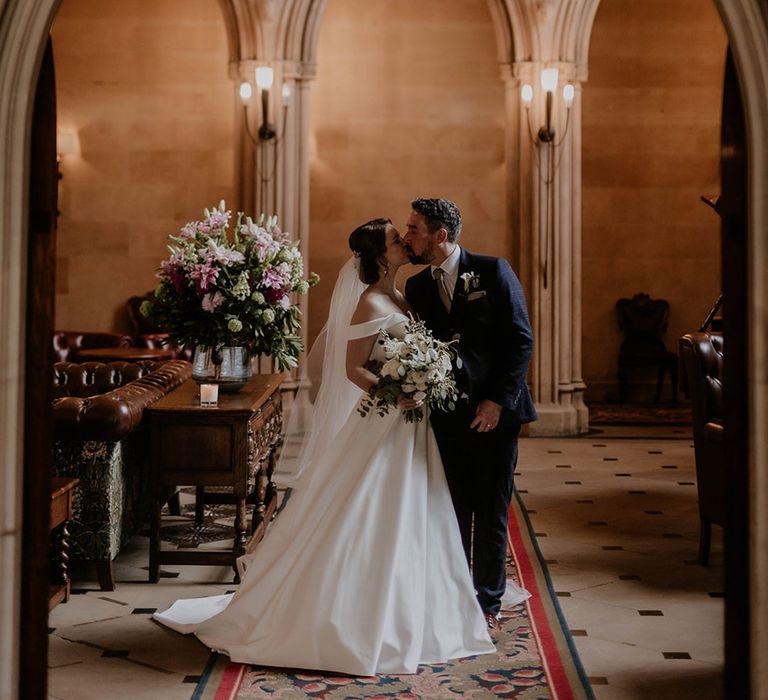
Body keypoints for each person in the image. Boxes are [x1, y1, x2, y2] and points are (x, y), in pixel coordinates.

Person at [153, 218, 499, 676]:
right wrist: (397, 391)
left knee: (416, 506)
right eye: (396, 239)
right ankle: (351, 611)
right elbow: (353, 368)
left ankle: (414, 601)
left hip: (410, 421)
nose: (403, 242)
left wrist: (422, 378)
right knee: (370, 505)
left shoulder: (401, 293)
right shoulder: (368, 301)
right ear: (379, 255)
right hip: (386, 417)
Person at [402, 198, 537, 631]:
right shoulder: (419, 287)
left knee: (492, 510)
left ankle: (489, 602)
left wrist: (497, 400)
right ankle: (457, 594)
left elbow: (521, 340)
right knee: (453, 509)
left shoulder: (494, 271)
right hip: (445, 417)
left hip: (497, 414)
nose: (408, 238)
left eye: (414, 229)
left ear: (440, 235)